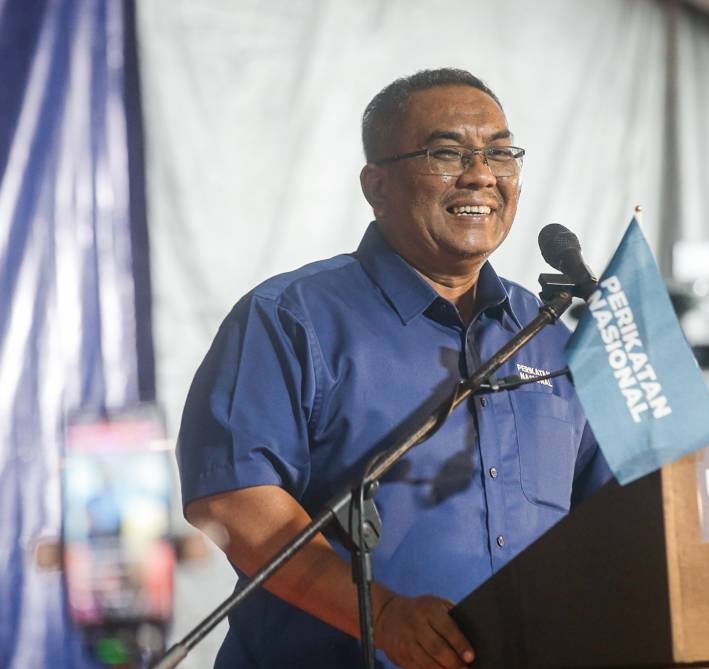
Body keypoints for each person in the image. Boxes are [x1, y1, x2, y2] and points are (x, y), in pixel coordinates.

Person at [176, 68, 611, 669]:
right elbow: (231, 503)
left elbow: (614, 516)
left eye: (500, 152)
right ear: (376, 185)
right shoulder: (291, 319)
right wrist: (380, 615)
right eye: (447, 152)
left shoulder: (547, 337)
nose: (482, 173)